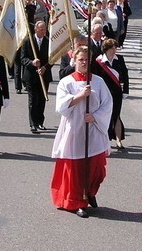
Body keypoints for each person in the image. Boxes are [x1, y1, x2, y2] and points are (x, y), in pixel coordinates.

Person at [50, 46, 113, 218]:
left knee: (97, 167)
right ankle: (78, 201)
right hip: (74, 130)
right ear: (75, 61)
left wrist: (95, 117)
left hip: (94, 128)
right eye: (81, 59)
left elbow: (107, 104)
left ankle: (90, 191)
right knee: (76, 168)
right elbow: (61, 107)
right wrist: (79, 97)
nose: (84, 62)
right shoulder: (67, 82)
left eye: (87, 59)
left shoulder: (98, 81)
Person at [92, 38, 129, 149]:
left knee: (116, 115)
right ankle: (105, 140)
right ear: (106, 49)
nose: (114, 50)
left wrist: (125, 90)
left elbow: (125, 76)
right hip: (103, 93)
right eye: (112, 48)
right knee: (105, 116)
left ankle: (118, 140)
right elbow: (95, 77)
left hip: (117, 92)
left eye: (115, 48)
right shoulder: (98, 61)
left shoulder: (120, 59)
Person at [21, 21, 53, 133]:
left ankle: (40, 122)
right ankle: (33, 123)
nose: (43, 31)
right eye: (41, 29)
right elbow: (23, 58)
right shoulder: (27, 41)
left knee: (42, 99)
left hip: (44, 75)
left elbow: (52, 59)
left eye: (45, 29)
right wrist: (32, 63)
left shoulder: (48, 41)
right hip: (31, 76)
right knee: (33, 100)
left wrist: (45, 67)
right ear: (35, 29)